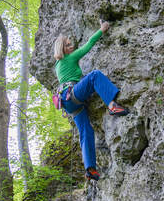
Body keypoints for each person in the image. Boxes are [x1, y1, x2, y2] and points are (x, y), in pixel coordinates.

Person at [54, 21, 129, 181]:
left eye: (70, 44)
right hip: (72, 93)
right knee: (94, 75)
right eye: (68, 45)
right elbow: (88, 45)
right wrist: (102, 30)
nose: (71, 46)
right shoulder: (69, 58)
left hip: (68, 103)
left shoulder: (57, 65)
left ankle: (90, 169)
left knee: (86, 131)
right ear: (63, 49)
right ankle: (111, 105)